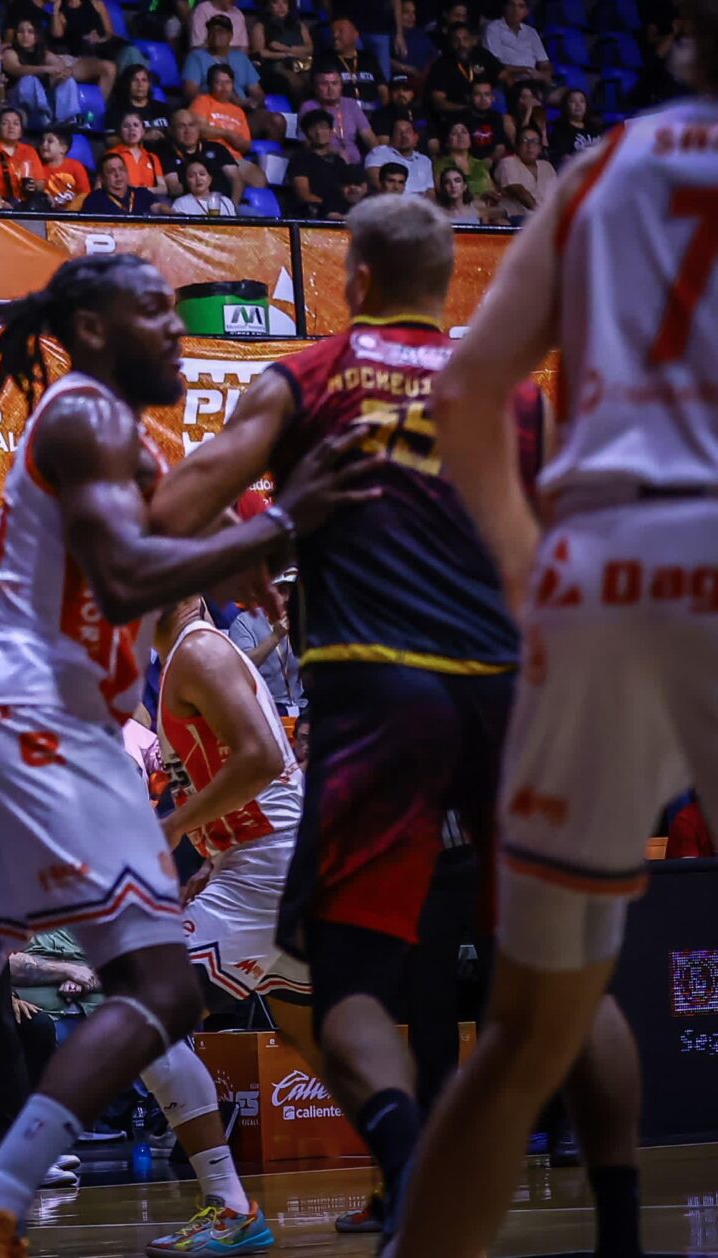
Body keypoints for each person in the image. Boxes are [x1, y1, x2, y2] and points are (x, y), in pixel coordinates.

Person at [0, 251, 374, 1258]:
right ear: (95, 329)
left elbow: (166, 524)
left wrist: (257, 542)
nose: (177, 327)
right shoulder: (87, 413)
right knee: (163, 989)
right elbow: (127, 565)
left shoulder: (115, 439)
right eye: (154, 310)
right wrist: (280, 520)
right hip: (44, 718)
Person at [148, 194, 635, 1247]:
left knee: (351, 992)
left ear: (353, 278)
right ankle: (624, 1224)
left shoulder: (306, 377)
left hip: (379, 697)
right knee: (565, 978)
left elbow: (172, 510)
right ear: (448, 276)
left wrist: (281, 528)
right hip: (513, 693)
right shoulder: (510, 395)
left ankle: (408, 1158)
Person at [371, 0, 718, 1258]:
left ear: (678, 33)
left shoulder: (600, 173)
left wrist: (530, 569)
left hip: (600, 564)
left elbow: (471, 392)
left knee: (524, 1029)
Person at [127, 598, 318, 1249]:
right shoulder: (181, 654)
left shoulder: (199, 650)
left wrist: (177, 826)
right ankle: (418, 1170)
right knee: (324, 1043)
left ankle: (230, 1208)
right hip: (264, 863)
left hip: (266, 872)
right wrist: (212, 852)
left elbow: (263, 758)